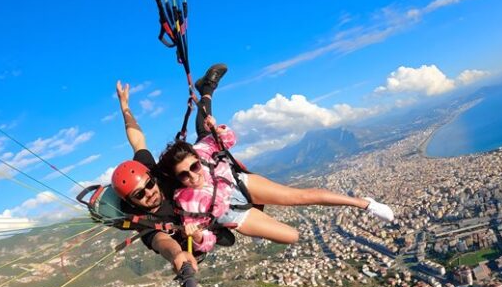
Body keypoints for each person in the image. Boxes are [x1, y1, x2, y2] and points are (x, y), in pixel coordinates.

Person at [157, 64, 395, 253]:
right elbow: (204, 240)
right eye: (184, 175)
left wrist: (219, 131)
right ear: (177, 178)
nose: (193, 176)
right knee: (292, 236)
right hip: (231, 214)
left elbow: (228, 139)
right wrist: (197, 235)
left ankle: (366, 203)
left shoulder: (202, 151)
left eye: (194, 167)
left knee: (299, 196)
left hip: (237, 184)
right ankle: (206, 88)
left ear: (197, 159)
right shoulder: (185, 201)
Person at [109, 64, 231, 272]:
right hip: (200, 232)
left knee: (206, 138)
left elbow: (138, 141)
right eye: (140, 194)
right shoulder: (142, 219)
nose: (150, 192)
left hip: (202, 192)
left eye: (149, 185)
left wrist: (125, 108)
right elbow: (160, 241)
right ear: (131, 201)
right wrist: (177, 255)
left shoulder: (148, 172)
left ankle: (207, 90)